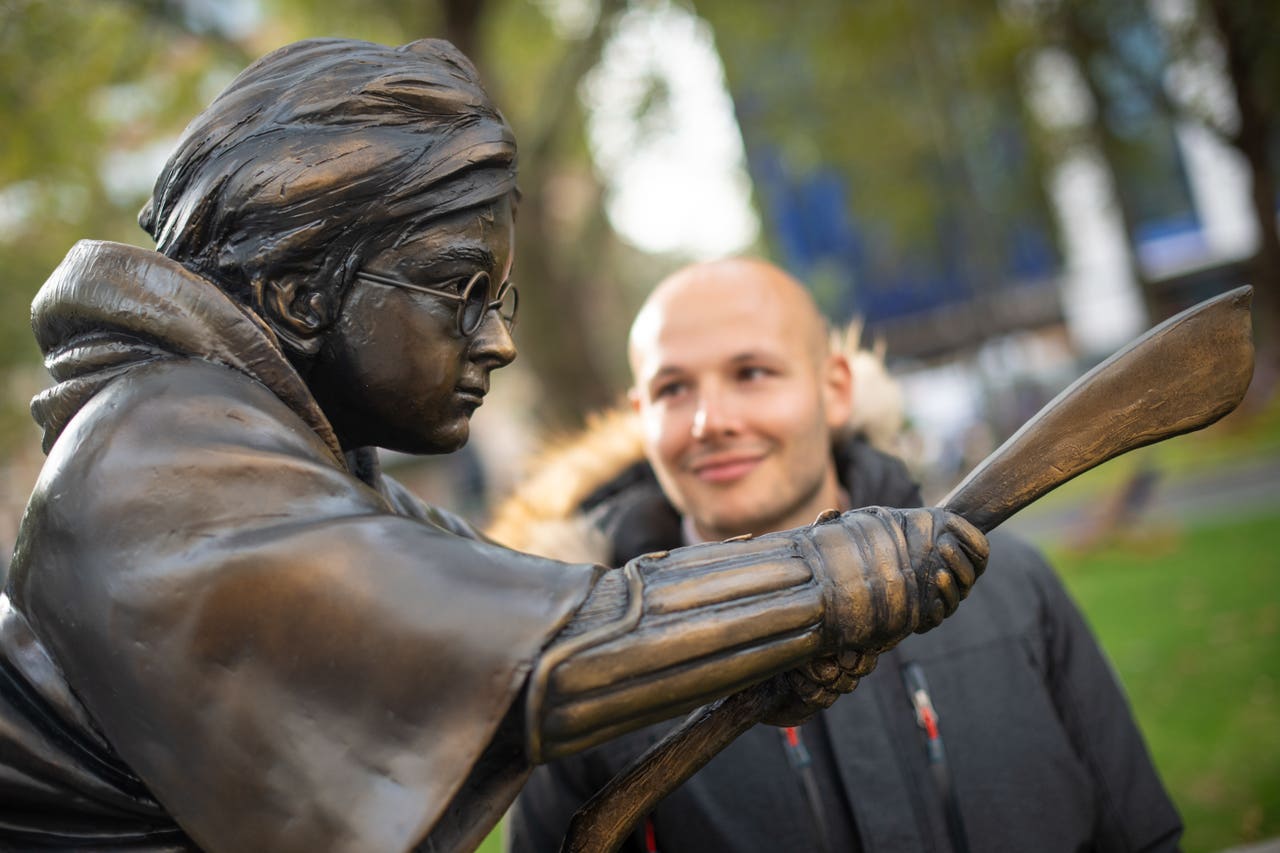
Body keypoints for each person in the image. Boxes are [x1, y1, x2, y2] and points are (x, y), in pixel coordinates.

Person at [0, 40, 987, 853]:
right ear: (299, 295)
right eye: (458, 291)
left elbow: (514, 605)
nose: (498, 339)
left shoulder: (285, 460)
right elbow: (543, 652)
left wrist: (753, 652)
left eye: (497, 300)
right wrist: (833, 574)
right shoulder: (155, 459)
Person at [496, 258, 1183, 853]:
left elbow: (1140, 833)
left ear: (835, 389)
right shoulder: (591, 665)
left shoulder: (1015, 587)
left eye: (752, 371)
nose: (712, 421)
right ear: (639, 412)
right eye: (673, 389)